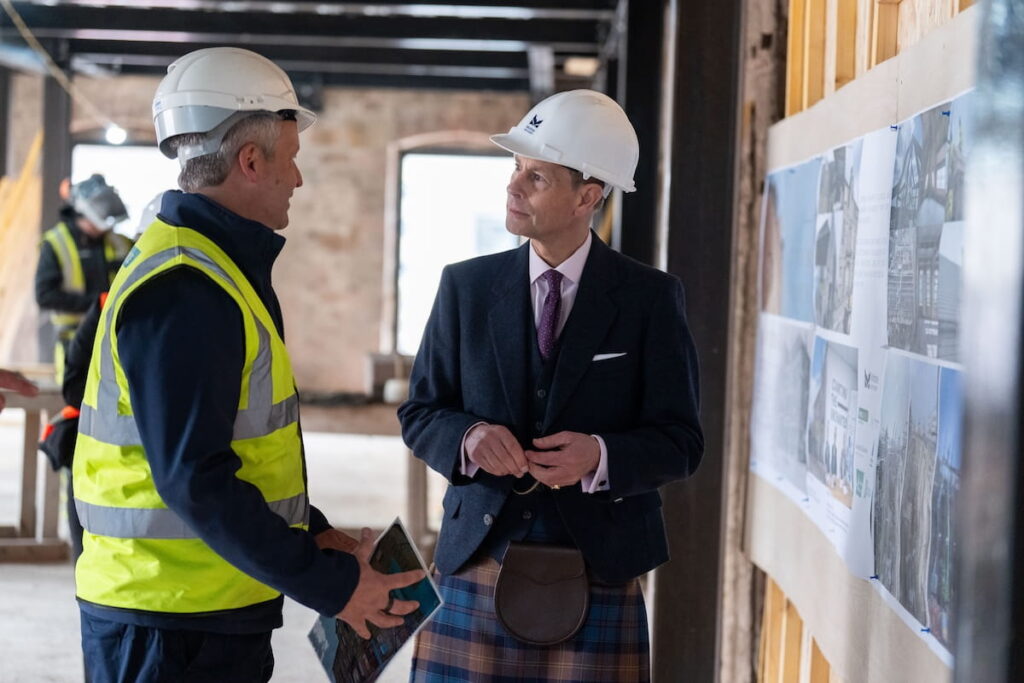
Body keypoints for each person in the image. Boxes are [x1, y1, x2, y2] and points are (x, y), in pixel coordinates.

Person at [72, 47, 423, 682]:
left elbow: (230, 450)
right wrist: (331, 585)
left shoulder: (210, 268)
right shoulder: (187, 287)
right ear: (251, 161)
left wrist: (308, 533)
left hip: (197, 609)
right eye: (291, 161)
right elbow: (196, 479)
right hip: (169, 621)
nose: (298, 180)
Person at [398, 89, 704, 681]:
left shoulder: (651, 300)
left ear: (588, 196)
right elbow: (421, 412)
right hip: (476, 557)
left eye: (536, 176)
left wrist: (601, 455)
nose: (513, 187)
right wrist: (469, 437)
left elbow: (681, 440)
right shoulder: (465, 288)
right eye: (516, 170)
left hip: (601, 566)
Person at [35, 174, 133, 383]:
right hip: (74, 342)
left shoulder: (120, 242)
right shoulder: (56, 243)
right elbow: (45, 295)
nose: (107, 228)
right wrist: (96, 304)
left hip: (117, 340)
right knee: (77, 406)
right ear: (82, 214)